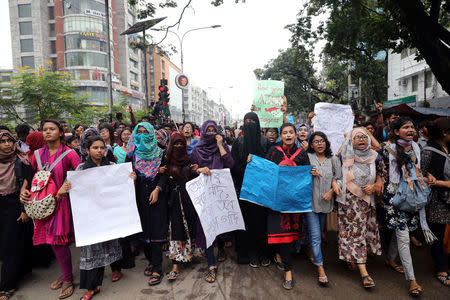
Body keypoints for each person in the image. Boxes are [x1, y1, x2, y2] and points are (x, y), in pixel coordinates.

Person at [19, 120, 81, 299]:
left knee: (58, 242)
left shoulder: (70, 154)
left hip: (62, 204)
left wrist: (66, 187)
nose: (47, 132)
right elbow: (29, 177)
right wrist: (24, 189)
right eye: (44, 130)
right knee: (52, 242)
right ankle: (65, 273)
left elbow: (81, 176)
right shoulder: (36, 154)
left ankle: (68, 279)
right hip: (42, 204)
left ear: (61, 133)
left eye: (52, 129)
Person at [70, 136, 134, 300]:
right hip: (91, 216)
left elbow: (123, 187)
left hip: (110, 213)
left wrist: (130, 179)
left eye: (102, 148)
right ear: (87, 150)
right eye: (95, 148)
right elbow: (73, 191)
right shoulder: (81, 169)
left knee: (114, 241)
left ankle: (116, 269)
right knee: (91, 248)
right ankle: (93, 286)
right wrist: (65, 188)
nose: (99, 151)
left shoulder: (113, 167)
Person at [380, 117, 428, 296]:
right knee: (403, 236)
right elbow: (379, 171)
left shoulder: (417, 147)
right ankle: (412, 280)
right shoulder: (386, 149)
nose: (411, 130)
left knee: (401, 230)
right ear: (396, 131)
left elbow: (418, 169)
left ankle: (390, 260)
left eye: (412, 127)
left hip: (411, 195)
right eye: (406, 127)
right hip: (394, 198)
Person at [337, 127, 384, 289]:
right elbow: (336, 173)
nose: (361, 140)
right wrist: (347, 138)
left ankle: (353, 258)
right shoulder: (344, 156)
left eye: (364, 137)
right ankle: (364, 272)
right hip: (349, 202)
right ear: (351, 141)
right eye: (357, 137)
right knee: (354, 231)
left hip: (367, 201)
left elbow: (381, 173)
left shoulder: (375, 157)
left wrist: (376, 184)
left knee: (360, 231)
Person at [265, 123, 310, 290]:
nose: (288, 135)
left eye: (291, 132)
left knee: (290, 235)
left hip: (295, 201)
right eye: (285, 133)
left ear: (296, 134)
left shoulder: (302, 153)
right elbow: (266, 171)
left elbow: (306, 173)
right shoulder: (273, 151)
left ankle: (280, 256)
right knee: (281, 234)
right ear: (280, 136)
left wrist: (310, 172)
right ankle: (288, 271)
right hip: (277, 200)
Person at [190, 120, 234, 283]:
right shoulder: (197, 150)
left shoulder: (221, 147)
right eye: (207, 130)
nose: (210, 132)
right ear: (202, 131)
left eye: (212, 130)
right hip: (204, 195)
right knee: (206, 228)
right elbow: (191, 170)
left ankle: (221, 249)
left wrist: (221, 145)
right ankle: (211, 265)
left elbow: (230, 164)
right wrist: (199, 170)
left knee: (221, 225)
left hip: (221, 194)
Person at [154, 132, 200, 281]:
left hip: (188, 201)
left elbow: (195, 175)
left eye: (181, 144)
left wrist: (199, 170)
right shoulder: (166, 161)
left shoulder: (189, 160)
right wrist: (157, 188)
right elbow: (162, 179)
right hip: (172, 202)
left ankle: (190, 255)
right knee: (176, 229)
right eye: (176, 144)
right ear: (171, 145)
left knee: (190, 227)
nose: (179, 146)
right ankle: (175, 264)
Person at [126, 122, 166, 286]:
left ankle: (157, 267)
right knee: (144, 231)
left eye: (146, 132)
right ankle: (150, 261)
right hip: (139, 196)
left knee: (156, 230)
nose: (142, 135)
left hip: (158, 195)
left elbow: (166, 174)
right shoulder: (133, 154)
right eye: (139, 132)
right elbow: (126, 172)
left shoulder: (161, 153)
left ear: (152, 134)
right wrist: (131, 177)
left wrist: (158, 189)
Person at [231, 112, 270, 266]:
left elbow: (270, 165)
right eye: (246, 121)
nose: (249, 124)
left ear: (258, 123)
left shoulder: (265, 142)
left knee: (261, 222)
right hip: (243, 189)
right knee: (245, 222)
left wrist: (257, 166)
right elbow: (233, 165)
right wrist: (247, 168)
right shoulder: (238, 142)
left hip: (261, 190)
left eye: (252, 121)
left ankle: (263, 253)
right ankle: (247, 253)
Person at [306, 131, 342, 286]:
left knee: (319, 233)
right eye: (315, 141)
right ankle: (320, 268)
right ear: (311, 144)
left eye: (322, 141)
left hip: (326, 205)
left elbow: (339, 179)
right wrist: (308, 173)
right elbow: (297, 176)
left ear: (326, 143)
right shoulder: (307, 158)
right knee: (316, 236)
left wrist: (332, 191)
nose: (319, 144)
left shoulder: (333, 160)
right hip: (309, 204)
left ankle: (310, 250)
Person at [0, 130, 32, 300]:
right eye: (3, 141)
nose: (7, 144)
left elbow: (28, 187)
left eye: (9, 140)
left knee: (9, 246)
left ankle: (7, 285)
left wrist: (24, 210)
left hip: (13, 206)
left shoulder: (21, 161)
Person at [420, 118, 450, 286]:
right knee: (437, 236)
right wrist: (435, 182)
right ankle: (441, 269)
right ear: (444, 133)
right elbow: (420, 176)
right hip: (437, 201)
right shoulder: (428, 151)